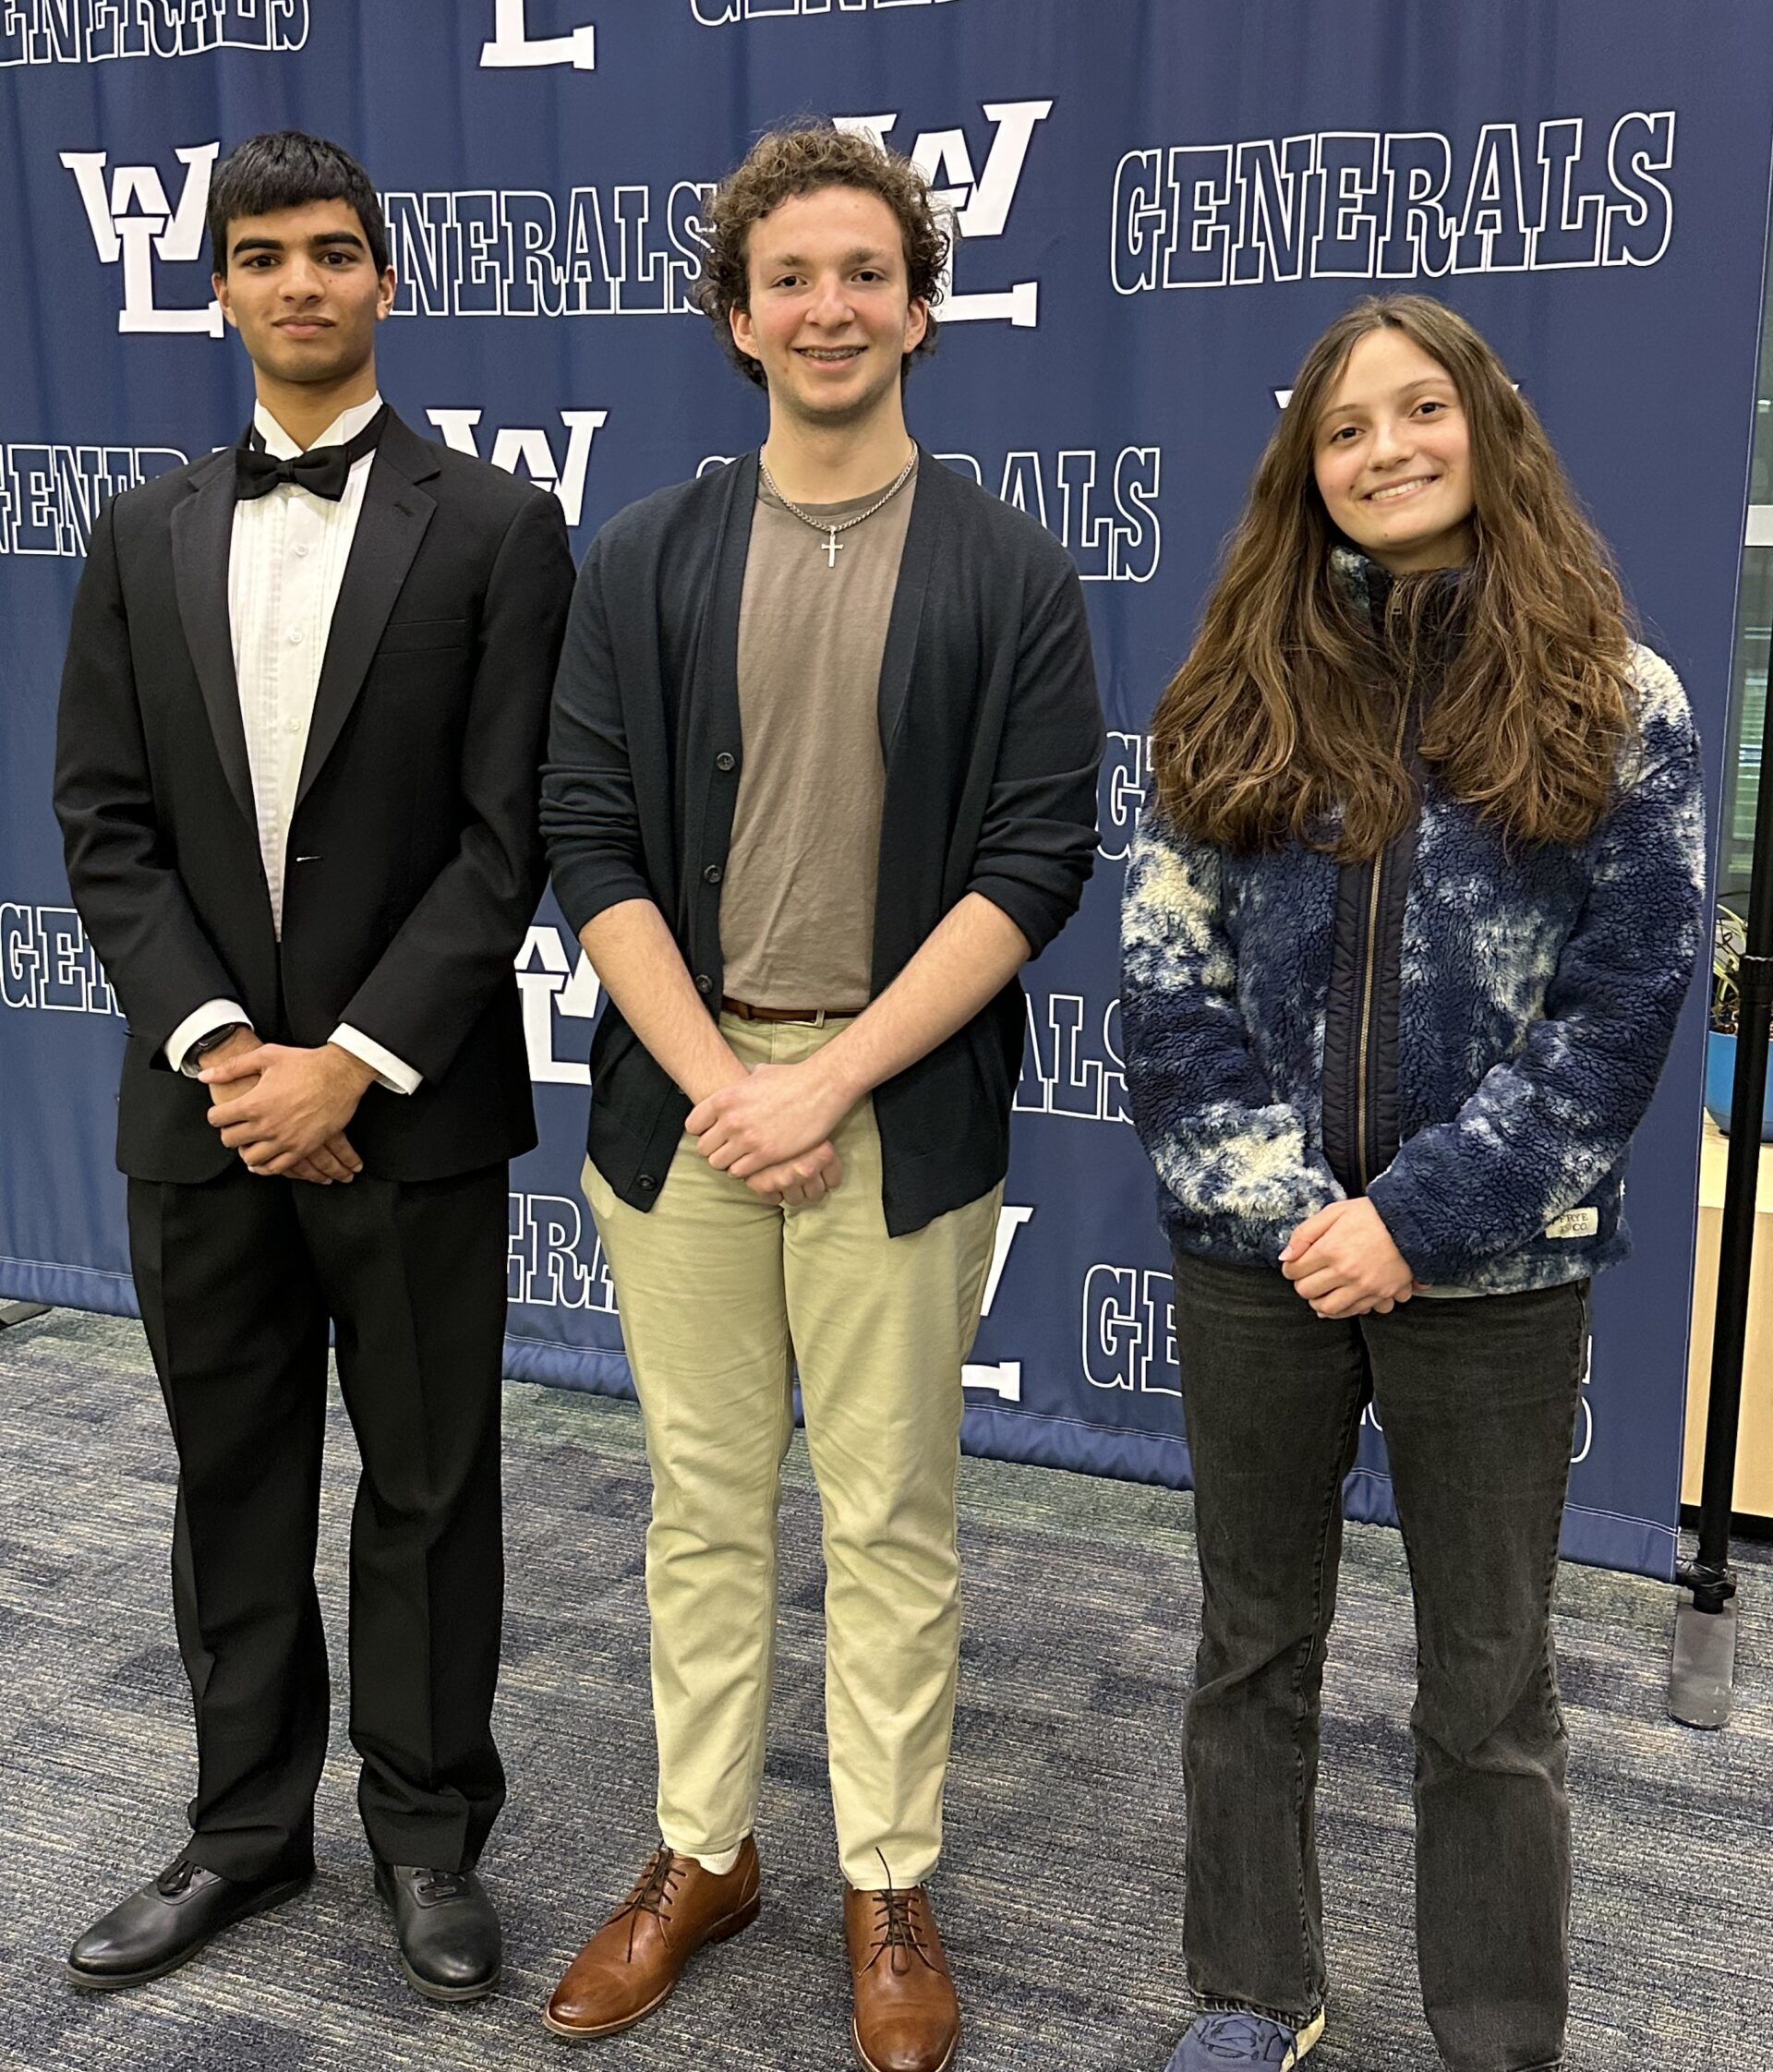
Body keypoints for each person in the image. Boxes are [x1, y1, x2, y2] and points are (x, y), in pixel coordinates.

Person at [538, 123, 1102, 2067]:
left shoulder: (1013, 566)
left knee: (889, 1512)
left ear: (922, 307)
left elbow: (1033, 863)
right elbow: (587, 831)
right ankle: (705, 1852)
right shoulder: (646, 554)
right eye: (792, 276)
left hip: (899, 1104)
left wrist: (831, 1082)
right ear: (737, 317)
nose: (831, 304)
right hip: (684, 1104)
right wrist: (723, 1085)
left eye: (867, 270)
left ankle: (886, 1872)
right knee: (702, 1504)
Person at [1120, 294, 1705, 2072]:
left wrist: (1420, 1219)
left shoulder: (1616, 694)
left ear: (1486, 426)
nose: (1387, 449)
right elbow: (1166, 984)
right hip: (1260, 1261)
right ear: (1307, 470)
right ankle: (1252, 1992)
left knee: (1492, 1689)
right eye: (1346, 428)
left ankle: (1499, 2032)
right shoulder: (1231, 691)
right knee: (1249, 1648)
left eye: (1419, 409)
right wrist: (1299, 1210)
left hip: (1498, 1273)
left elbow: (1622, 1012)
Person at [54, 128, 574, 2004]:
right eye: (261, 254)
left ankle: (427, 1831)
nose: (300, 281)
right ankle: (240, 1827)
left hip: (411, 1112)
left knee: (432, 1485)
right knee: (234, 1475)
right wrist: (227, 1055)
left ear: (386, 278)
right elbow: (103, 823)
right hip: (198, 1119)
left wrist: (347, 1064)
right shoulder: (140, 529)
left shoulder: (505, 527)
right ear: (218, 290)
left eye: (333, 249)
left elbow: (503, 837)